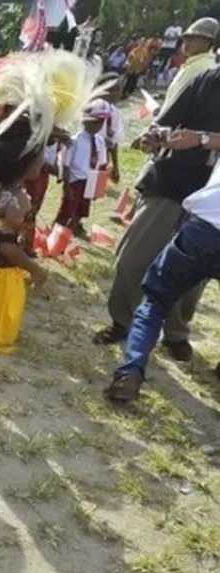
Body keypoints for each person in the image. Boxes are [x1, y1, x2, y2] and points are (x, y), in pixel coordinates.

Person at [0, 50, 94, 399]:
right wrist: (35, 270)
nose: (44, 160)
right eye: (40, 154)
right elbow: (8, 245)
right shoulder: (16, 201)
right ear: (26, 162)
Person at [96, 65, 220, 359]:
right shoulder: (204, 79)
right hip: (172, 183)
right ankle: (122, 321)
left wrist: (202, 139)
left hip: (212, 205)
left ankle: (176, 333)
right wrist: (156, 135)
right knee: (132, 259)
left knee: (193, 277)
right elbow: (165, 121)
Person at [106, 127, 220, 400]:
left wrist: (200, 139)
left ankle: (130, 374)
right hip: (204, 228)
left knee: (155, 302)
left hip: (203, 231)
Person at [54, 101, 107, 237]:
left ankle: (75, 226)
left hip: (90, 179)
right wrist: (66, 184)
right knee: (68, 207)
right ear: (85, 121)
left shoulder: (100, 141)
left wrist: (98, 188)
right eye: (96, 121)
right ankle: (58, 231)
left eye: (102, 122)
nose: (99, 125)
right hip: (76, 179)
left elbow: (101, 164)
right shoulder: (74, 141)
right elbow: (66, 164)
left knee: (83, 207)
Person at [164, 19, 219, 110]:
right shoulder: (193, 63)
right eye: (185, 38)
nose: (186, 42)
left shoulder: (203, 67)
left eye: (193, 38)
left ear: (208, 41)